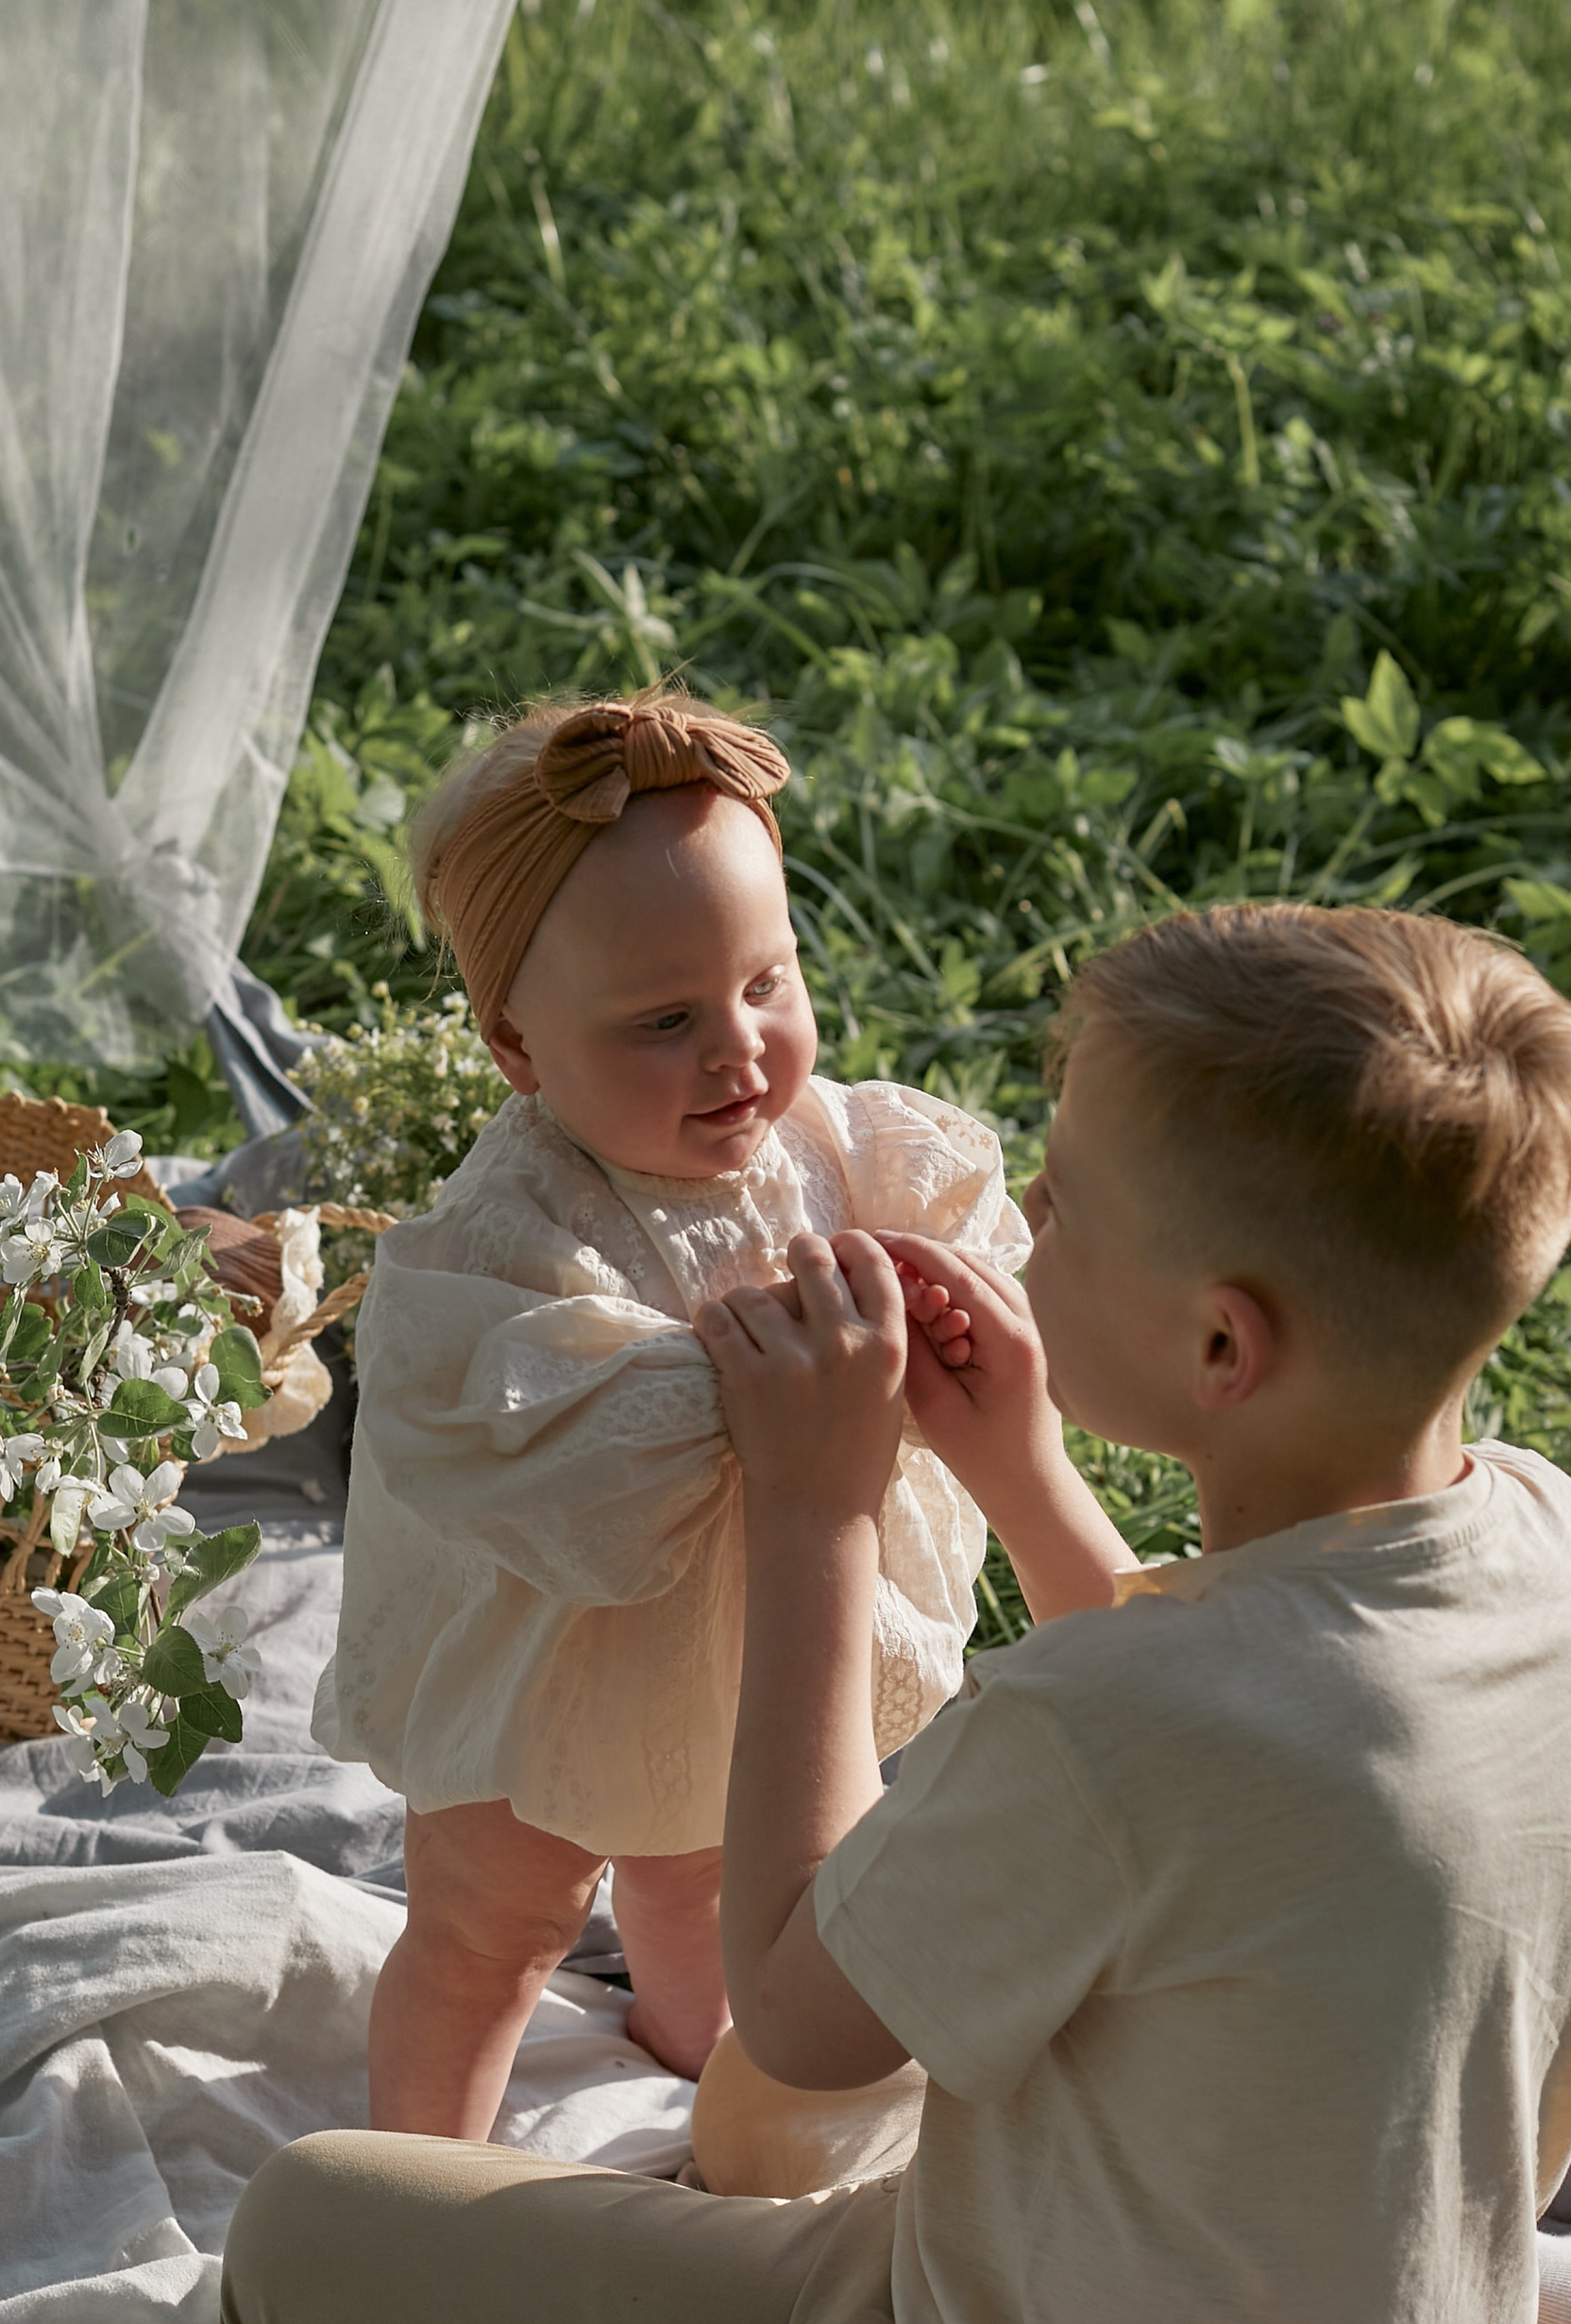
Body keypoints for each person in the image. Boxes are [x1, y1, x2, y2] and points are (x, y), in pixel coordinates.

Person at [186, 901, 1571, 2324]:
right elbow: (1226, 1730)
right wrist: (1021, 1469)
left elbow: (792, 2000)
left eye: (1070, 1215)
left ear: (1222, 1351)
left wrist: (817, 1520)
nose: (1028, 1234)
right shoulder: (1547, 1544)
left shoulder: (1108, 1731)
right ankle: (1529, 2306)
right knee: (788, 2133)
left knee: (306, 2236)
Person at [311, 685, 1031, 2137]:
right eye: (665, 1020)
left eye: (767, 982)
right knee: (485, 1925)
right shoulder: (507, 1240)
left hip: (760, 1645)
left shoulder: (826, 1148)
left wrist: (925, 1290)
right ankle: (413, 2179)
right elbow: (558, 1460)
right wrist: (761, 1379)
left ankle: (708, 2037)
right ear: (519, 1049)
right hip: (549, 1658)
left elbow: (971, 1251)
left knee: (716, 1861)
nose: (741, 1051)